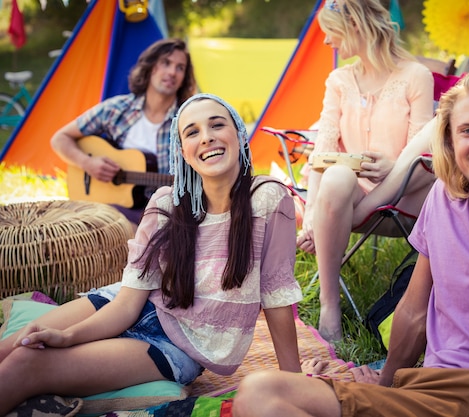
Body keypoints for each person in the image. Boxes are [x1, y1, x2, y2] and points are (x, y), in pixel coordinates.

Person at [232, 68, 469, 417]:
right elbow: (413, 311)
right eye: (467, 131)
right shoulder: (444, 200)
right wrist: (385, 384)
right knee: (260, 393)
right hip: (433, 396)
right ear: (451, 144)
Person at [0, 93, 304, 415]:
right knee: (11, 347)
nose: (207, 137)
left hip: (173, 347)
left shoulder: (268, 199)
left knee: (27, 361)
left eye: (217, 125)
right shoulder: (165, 204)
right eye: (192, 132)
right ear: (183, 153)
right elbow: (128, 303)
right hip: (126, 304)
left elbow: (276, 294)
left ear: (240, 135)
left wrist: (295, 383)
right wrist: (68, 336)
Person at [296, 0, 435, 342]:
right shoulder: (339, 80)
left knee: (346, 179)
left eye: (331, 31)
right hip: (349, 199)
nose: (327, 41)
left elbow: (427, 156)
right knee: (338, 175)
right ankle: (330, 307)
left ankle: (338, 221)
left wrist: (393, 167)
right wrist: (313, 213)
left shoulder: (416, 76)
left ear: (356, 25)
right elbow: (323, 151)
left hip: (406, 201)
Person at [50, 38, 197, 225]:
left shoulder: (187, 120)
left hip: (165, 214)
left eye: (180, 68)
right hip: (109, 210)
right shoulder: (117, 109)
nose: (172, 72)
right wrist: (87, 163)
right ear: (151, 67)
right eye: (166, 63)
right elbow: (60, 138)